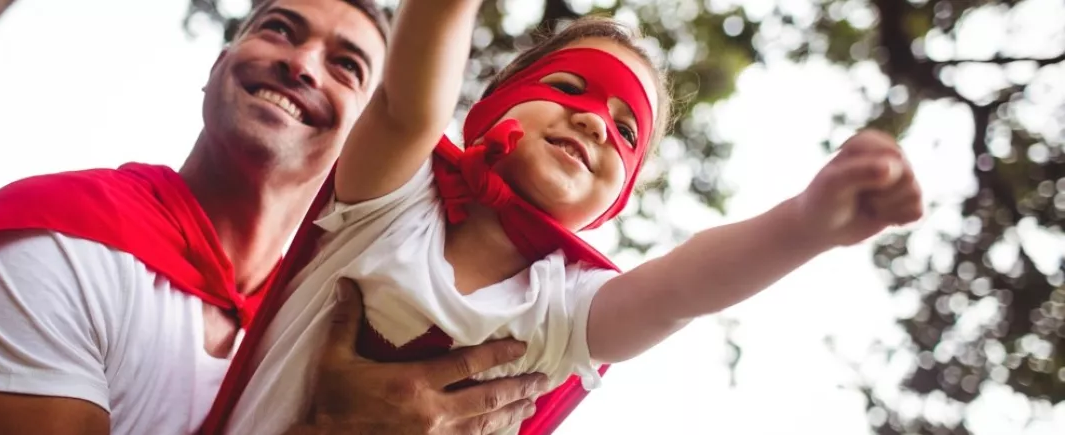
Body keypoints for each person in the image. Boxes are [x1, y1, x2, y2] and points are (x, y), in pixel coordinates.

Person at [204, 2, 926, 435]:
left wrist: (807, 222)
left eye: (625, 129)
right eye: (569, 88)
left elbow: (683, 289)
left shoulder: (568, 308)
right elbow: (407, 99)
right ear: (493, 108)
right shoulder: (391, 196)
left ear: (615, 199)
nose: (592, 123)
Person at [0, 1, 547, 434]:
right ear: (217, 67)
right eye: (277, 29)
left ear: (371, 138)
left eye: (347, 66)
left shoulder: (335, 331)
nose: (300, 64)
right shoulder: (59, 247)